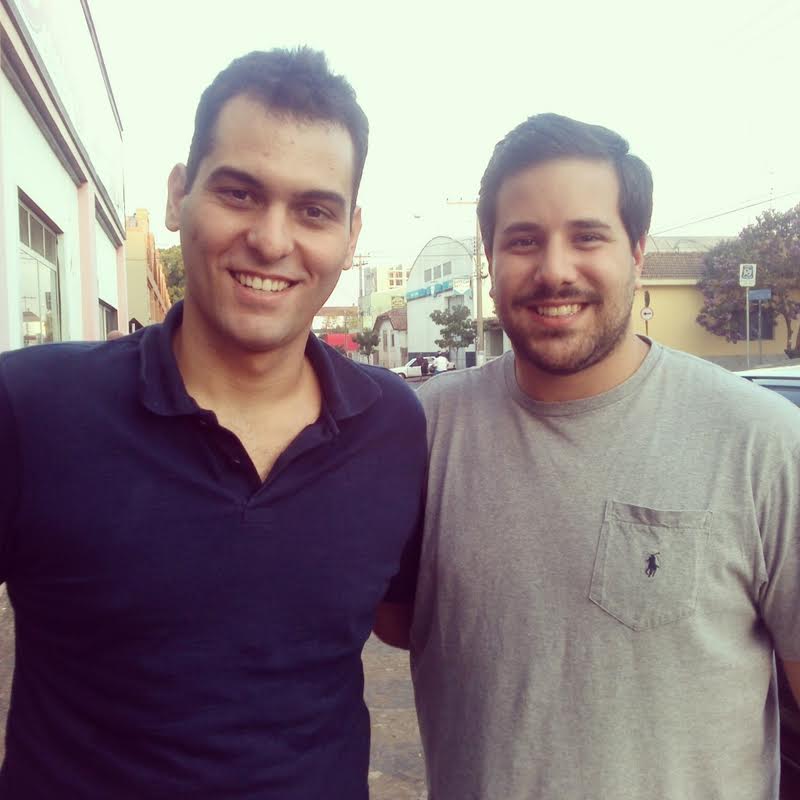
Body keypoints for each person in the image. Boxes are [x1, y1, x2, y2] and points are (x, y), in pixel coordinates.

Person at [0, 49, 426, 799]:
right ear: (178, 196)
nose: (272, 239)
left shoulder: (392, 426)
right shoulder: (30, 408)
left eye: (314, 210)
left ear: (351, 233)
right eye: (239, 192)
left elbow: (399, 619)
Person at [375, 113, 800, 799]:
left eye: (587, 236)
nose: (554, 270)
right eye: (523, 240)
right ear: (490, 257)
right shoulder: (421, 433)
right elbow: (398, 623)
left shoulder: (763, 444)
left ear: (637, 250)